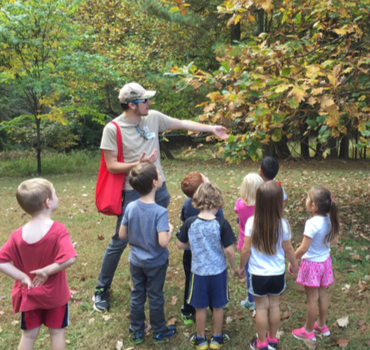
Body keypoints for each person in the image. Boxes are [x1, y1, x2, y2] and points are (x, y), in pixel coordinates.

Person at [94, 82, 229, 312]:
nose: (149, 103)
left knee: (159, 234)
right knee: (120, 239)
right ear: (131, 105)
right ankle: (101, 289)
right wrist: (139, 164)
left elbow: (181, 123)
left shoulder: (152, 117)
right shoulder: (113, 129)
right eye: (145, 100)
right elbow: (111, 165)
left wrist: (211, 129)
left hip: (159, 189)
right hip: (132, 192)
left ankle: (153, 278)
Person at [0, 179, 77, 350]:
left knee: (28, 336)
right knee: (57, 333)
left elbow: (1, 260)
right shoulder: (58, 231)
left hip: (30, 294)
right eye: (55, 193)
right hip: (56, 296)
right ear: (48, 202)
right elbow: (70, 258)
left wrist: (23, 277)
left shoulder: (17, 235)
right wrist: (47, 271)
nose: (57, 196)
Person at [118, 163, 176, 345]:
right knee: (155, 295)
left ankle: (137, 331)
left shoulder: (131, 207)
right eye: (158, 174)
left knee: (137, 294)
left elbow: (121, 235)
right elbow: (163, 241)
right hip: (156, 263)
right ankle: (159, 331)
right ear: (154, 183)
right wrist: (170, 231)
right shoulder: (160, 212)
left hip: (136, 261)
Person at [237, 181, 299, 350]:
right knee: (274, 306)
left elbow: (246, 249)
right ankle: (272, 339)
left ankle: (261, 342)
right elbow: (288, 248)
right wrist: (294, 263)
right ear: (279, 202)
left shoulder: (251, 222)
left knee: (261, 308)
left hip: (258, 275)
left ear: (259, 201)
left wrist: (241, 267)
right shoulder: (283, 224)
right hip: (277, 274)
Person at [176, 183, 236, 350]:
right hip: (218, 273)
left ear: (196, 202)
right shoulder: (221, 224)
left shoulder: (190, 222)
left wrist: (194, 241)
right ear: (217, 204)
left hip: (198, 273)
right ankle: (217, 338)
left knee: (200, 307)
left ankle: (201, 339)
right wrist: (232, 267)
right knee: (218, 306)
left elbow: (180, 245)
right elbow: (229, 251)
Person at [291, 186, 340, 343]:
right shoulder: (330, 220)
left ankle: (308, 331)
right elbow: (334, 241)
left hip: (312, 265)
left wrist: (293, 259)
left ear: (314, 206)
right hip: (325, 263)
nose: (306, 201)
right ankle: (322, 325)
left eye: (307, 198)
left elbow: (304, 247)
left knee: (312, 299)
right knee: (322, 295)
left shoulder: (312, 223)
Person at [179, 171, 225, 324]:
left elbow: (184, 222)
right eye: (205, 178)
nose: (207, 177)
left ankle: (188, 310)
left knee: (191, 281)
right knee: (212, 280)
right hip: (212, 251)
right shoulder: (215, 205)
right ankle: (214, 306)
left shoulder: (187, 204)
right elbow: (220, 224)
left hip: (190, 252)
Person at [235, 173, 264, 311]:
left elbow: (237, 212)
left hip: (245, 243)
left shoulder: (240, 204)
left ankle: (251, 299)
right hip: (261, 243)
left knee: (249, 273)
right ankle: (262, 294)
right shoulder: (263, 207)